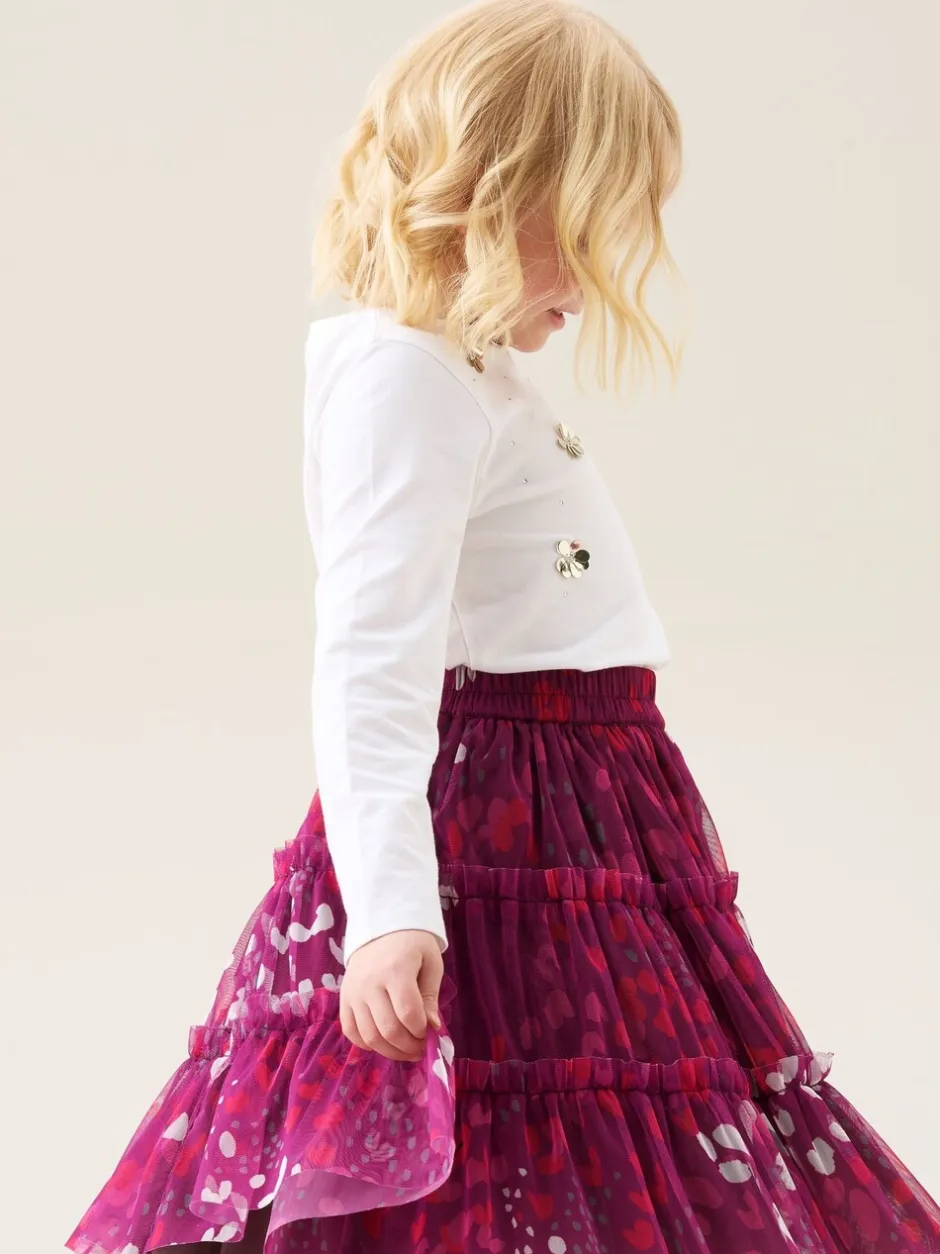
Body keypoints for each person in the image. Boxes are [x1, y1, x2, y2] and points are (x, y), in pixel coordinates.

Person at [65, 1, 940, 1251]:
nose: (592, 276)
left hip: (581, 807)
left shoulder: (459, 373)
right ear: (492, 193)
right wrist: (389, 910)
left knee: (578, 1130)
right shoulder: (407, 377)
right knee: (529, 1123)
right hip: (501, 824)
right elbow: (371, 660)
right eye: (581, 229)